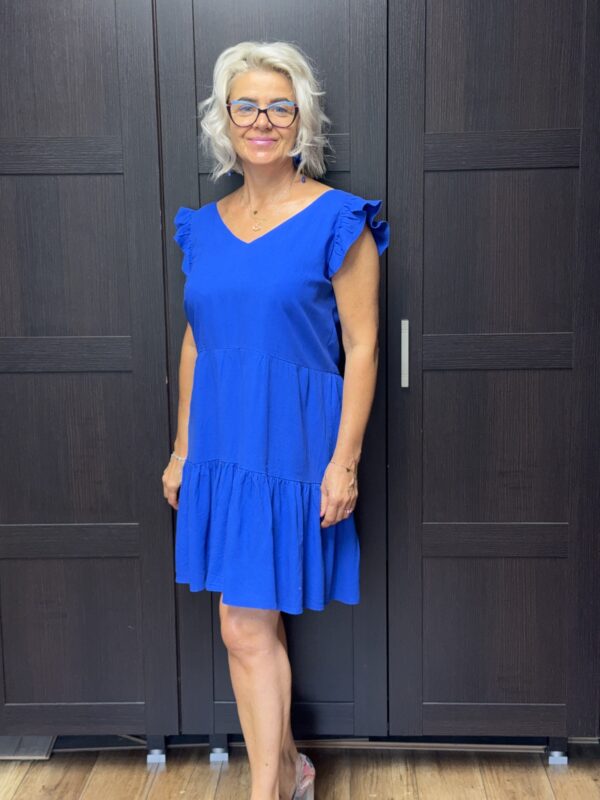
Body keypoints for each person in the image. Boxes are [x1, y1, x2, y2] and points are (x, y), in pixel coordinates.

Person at [162, 40, 390, 800]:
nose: (263, 121)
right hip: (222, 445)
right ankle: (288, 768)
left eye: (280, 107)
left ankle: (270, 788)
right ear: (224, 120)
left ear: (302, 121)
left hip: (292, 444)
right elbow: (196, 342)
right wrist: (183, 450)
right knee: (250, 619)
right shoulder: (204, 226)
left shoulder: (337, 219)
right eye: (247, 106)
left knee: (243, 622)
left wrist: (344, 462)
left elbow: (363, 347)